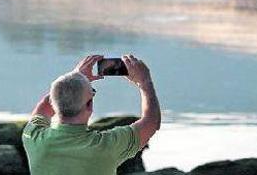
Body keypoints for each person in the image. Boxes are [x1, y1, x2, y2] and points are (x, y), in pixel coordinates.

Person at [22, 55, 161, 175]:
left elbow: (43, 109)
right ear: (89, 105)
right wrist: (144, 82)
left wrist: (74, 77)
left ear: (54, 102)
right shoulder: (107, 146)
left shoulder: (33, 137)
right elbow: (152, 122)